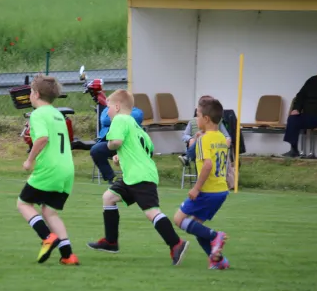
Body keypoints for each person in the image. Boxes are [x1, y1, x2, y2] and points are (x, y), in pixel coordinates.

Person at [86, 89, 190, 265]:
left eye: (108, 107)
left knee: (152, 212)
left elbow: (116, 142)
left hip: (139, 176)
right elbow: (146, 149)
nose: (107, 111)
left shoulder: (119, 120)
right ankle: (111, 242)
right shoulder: (137, 127)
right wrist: (121, 155)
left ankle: (176, 243)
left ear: (117, 106)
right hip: (136, 174)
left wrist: (113, 146)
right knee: (109, 197)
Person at [16, 74, 79, 266]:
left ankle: (46, 237)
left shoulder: (38, 114)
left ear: (35, 94)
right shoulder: (57, 114)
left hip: (49, 169)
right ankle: (68, 255)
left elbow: (42, 139)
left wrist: (29, 160)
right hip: (66, 170)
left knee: (23, 204)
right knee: (50, 212)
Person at [173, 98, 230, 270]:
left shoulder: (204, 140)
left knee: (178, 219)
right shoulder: (220, 137)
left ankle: (215, 236)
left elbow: (208, 164)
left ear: (205, 119)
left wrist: (196, 188)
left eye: (197, 115)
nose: (196, 120)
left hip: (207, 191)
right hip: (220, 191)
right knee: (196, 228)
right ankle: (218, 261)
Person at [90, 104, 144, 185]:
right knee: (96, 150)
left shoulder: (136, 111)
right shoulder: (107, 109)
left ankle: (132, 178)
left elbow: (137, 117)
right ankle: (111, 178)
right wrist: (124, 117)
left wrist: (116, 116)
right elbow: (105, 119)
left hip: (129, 144)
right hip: (110, 143)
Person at [179, 95, 231, 166]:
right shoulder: (192, 122)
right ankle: (188, 157)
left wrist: (227, 140)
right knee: (199, 141)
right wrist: (190, 139)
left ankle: (187, 157)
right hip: (198, 147)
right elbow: (184, 135)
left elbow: (227, 136)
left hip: (214, 147)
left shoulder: (218, 123)